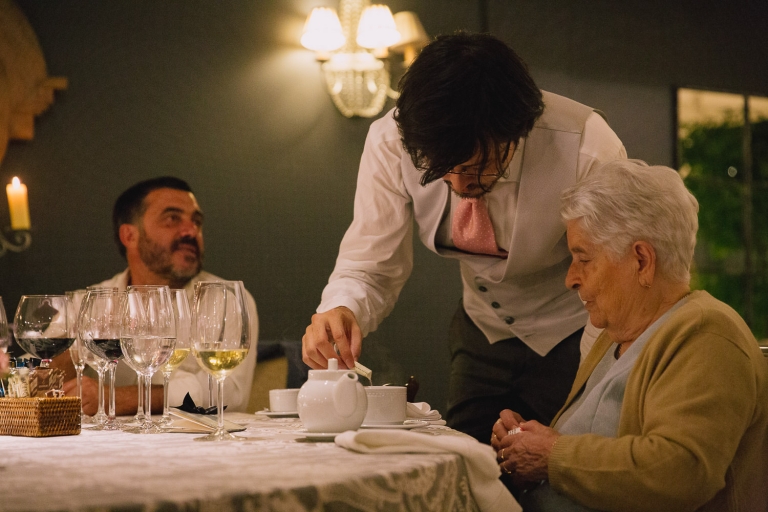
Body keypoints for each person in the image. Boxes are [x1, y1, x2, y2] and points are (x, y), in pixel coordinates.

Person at [302, 32, 627, 442]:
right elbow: (370, 266)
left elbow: (613, 281)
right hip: (481, 329)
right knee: (469, 461)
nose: (458, 184)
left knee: (556, 475)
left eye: (478, 166)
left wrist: (590, 384)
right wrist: (341, 309)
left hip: (574, 332)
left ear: (517, 131)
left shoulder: (587, 148)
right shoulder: (392, 140)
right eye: (440, 170)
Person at [491, 159, 768, 512]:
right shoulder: (615, 336)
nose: (571, 278)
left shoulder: (708, 334)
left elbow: (680, 471)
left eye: (584, 259)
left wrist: (551, 455)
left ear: (640, 260)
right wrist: (525, 452)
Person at [58, 177, 259, 415]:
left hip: (194, 447)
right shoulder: (86, 303)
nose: (190, 231)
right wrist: (70, 350)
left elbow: (230, 395)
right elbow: (42, 381)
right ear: (129, 236)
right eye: (172, 219)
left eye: (196, 221)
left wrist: (118, 398)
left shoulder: (227, 299)